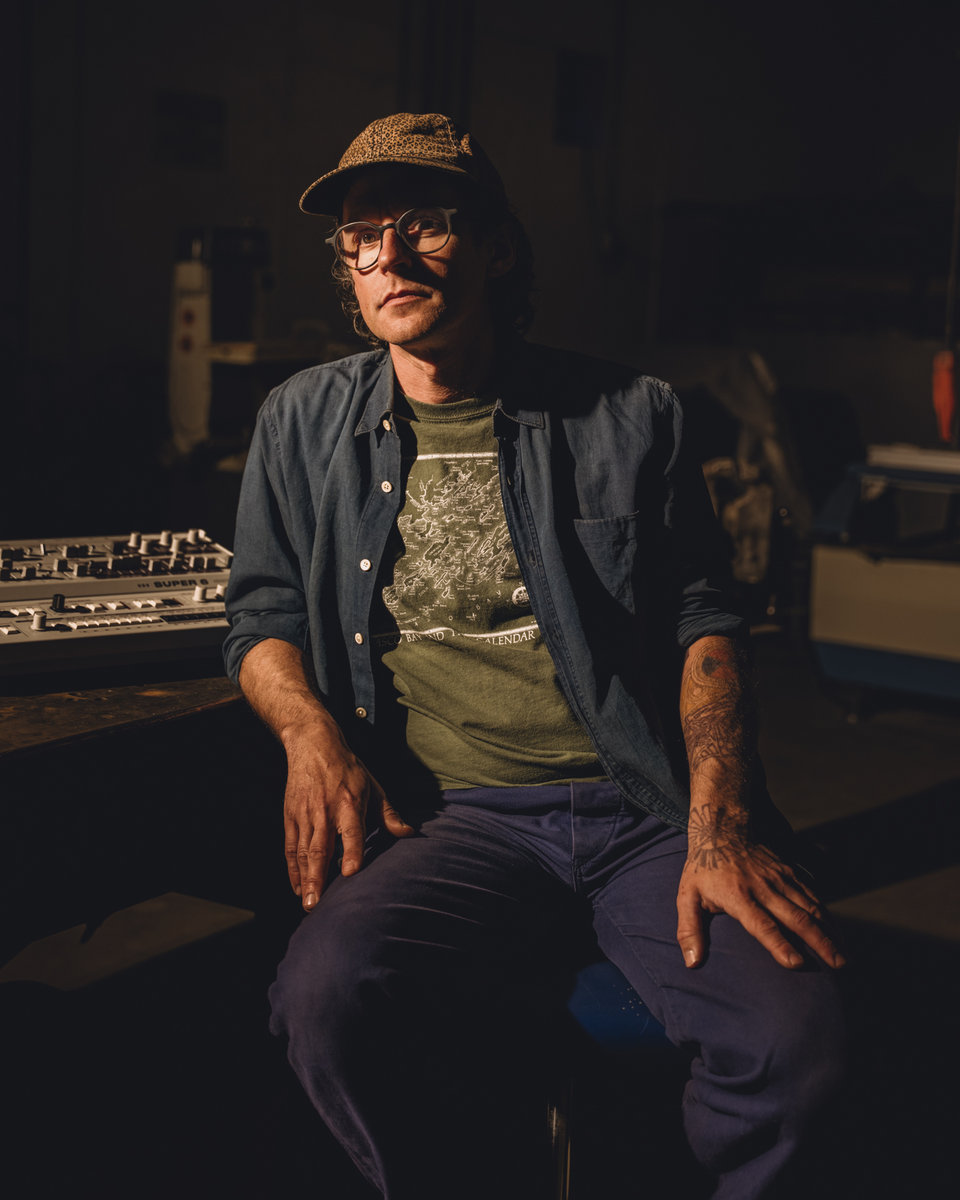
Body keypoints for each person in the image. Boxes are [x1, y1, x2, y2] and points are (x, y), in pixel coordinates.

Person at [223, 112, 845, 1200]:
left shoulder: (633, 416)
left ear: (498, 246)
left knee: (797, 1042)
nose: (390, 257)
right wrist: (309, 731)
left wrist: (719, 825)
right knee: (326, 1000)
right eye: (362, 236)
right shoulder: (300, 422)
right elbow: (261, 612)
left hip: (640, 809)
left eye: (425, 224)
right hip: (446, 817)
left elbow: (706, 623)